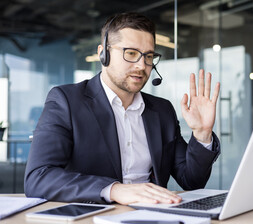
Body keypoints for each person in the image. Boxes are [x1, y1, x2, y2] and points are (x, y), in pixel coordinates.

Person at [24, 12, 221, 205]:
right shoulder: (66, 101)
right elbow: (38, 177)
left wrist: (202, 135)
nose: (141, 65)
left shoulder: (162, 111)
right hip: (95, 216)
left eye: (149, 56)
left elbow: (191, 181)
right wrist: (114, 190)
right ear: (103, 53)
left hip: (154, 215)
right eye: (131, 53)